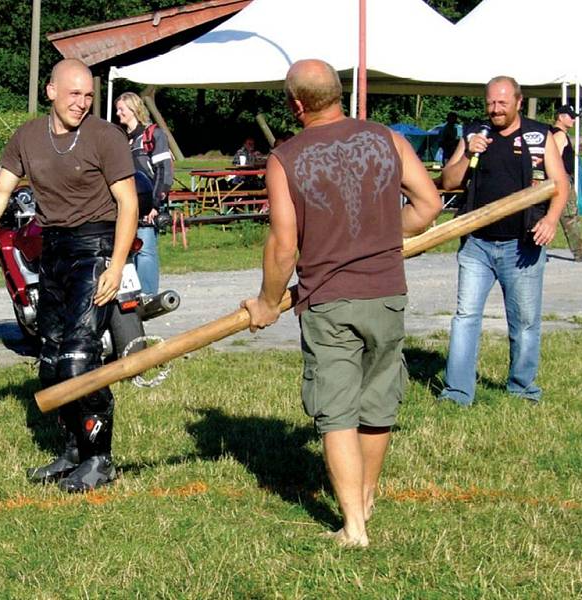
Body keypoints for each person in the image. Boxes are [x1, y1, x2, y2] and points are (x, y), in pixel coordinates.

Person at [242, 59, 441, 548]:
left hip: (328, 298)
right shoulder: (387, 139)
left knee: (337, 412)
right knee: (377, 402)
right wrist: (372, 235)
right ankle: (366, 498)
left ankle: (354, 525)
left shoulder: (285, 158)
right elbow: (429, 207)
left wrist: (268, 302)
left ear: (294, 104)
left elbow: (284, 245)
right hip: (386, 290)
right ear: (340, 92)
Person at [0, 59, 139, 493]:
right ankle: (72, 451)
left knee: (78, 360)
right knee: (52, 364)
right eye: (74, 94)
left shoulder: (105, 137)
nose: (82, 102)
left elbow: (127, 204)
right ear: (50, 91)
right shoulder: (27, 137)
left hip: (95, 248)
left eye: (88, 95)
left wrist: (115, 264)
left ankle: (100, 458)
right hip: (52, 248)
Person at [437, 76, 569, 407]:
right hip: (476, 245)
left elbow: (560, 183)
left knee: (524, 322)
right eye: (491, 103)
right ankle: (457, 393)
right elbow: (448, 181)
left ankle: (522, 389)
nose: (495, 110)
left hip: (522, 244)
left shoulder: (540, 136)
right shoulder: (474, 133)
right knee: (465, 317)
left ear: (519, 102)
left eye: (502, 103)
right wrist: (468, 153)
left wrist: (551, 220)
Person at [114, 91, 173, 296]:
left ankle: (147, 295)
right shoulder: (120, 139)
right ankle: (130, 294)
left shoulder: (153, 135)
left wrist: (155, 204)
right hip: (126, 204)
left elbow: (164, 170)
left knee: (145, 249)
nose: (117, 113)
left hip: (148, 204)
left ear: (133, 109)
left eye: (121, 109)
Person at [551, 104, 582, 262]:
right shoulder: (559, 135)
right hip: (561, 181)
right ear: (560, 117)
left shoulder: (555, 134)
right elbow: (554, 159)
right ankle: (580, 252)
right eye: (570, 116)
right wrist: (561, 180)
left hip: (560, 180)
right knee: (570, 216)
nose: (573, 120)